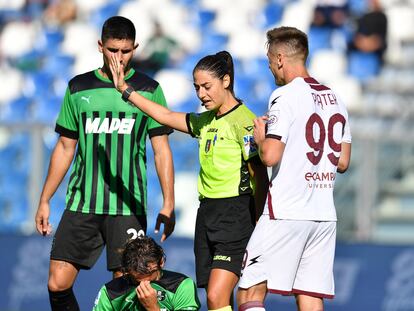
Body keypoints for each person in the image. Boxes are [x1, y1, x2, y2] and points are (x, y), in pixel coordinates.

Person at [34, 16, 175, 311]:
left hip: (127, 207)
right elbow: (64, 147)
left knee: (125, 288)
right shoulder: (78, 88)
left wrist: (168, 202)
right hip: (82, 204)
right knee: (57, 283)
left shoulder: (148, 90)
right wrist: (45, 199)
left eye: (126, 51)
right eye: (113, 50)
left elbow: (161, 149)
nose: (119, 58)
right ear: (100, 46)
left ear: (135, 48)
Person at [109, 50, 268, 311]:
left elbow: (258, 174)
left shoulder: (243, 122)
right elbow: (165, 116)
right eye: (196, 88)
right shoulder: (205, 121)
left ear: (226, 81)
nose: (201, 94)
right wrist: (126, 91)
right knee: (216, 299)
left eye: (207, 86)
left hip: (236, 214)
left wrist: (261, 220)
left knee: (217, 296)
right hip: (207, 214)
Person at [236, 26, 352, 311]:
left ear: (278, 59)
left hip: (287, 210)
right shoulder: (336, 98)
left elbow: (271, 156)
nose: (270, 69)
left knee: (250, 291)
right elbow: (343, 161)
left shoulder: (284, 95)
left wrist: (262, 139)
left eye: (269, 62)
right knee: (310, 296)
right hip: (323, 214)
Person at [92, 236, 201, 310]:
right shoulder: (110, 291)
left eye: (150, 279)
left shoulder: (181, 285)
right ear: (127, 270)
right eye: (135, 281)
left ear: (161, 262)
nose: (144, 287)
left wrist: (153, 308)